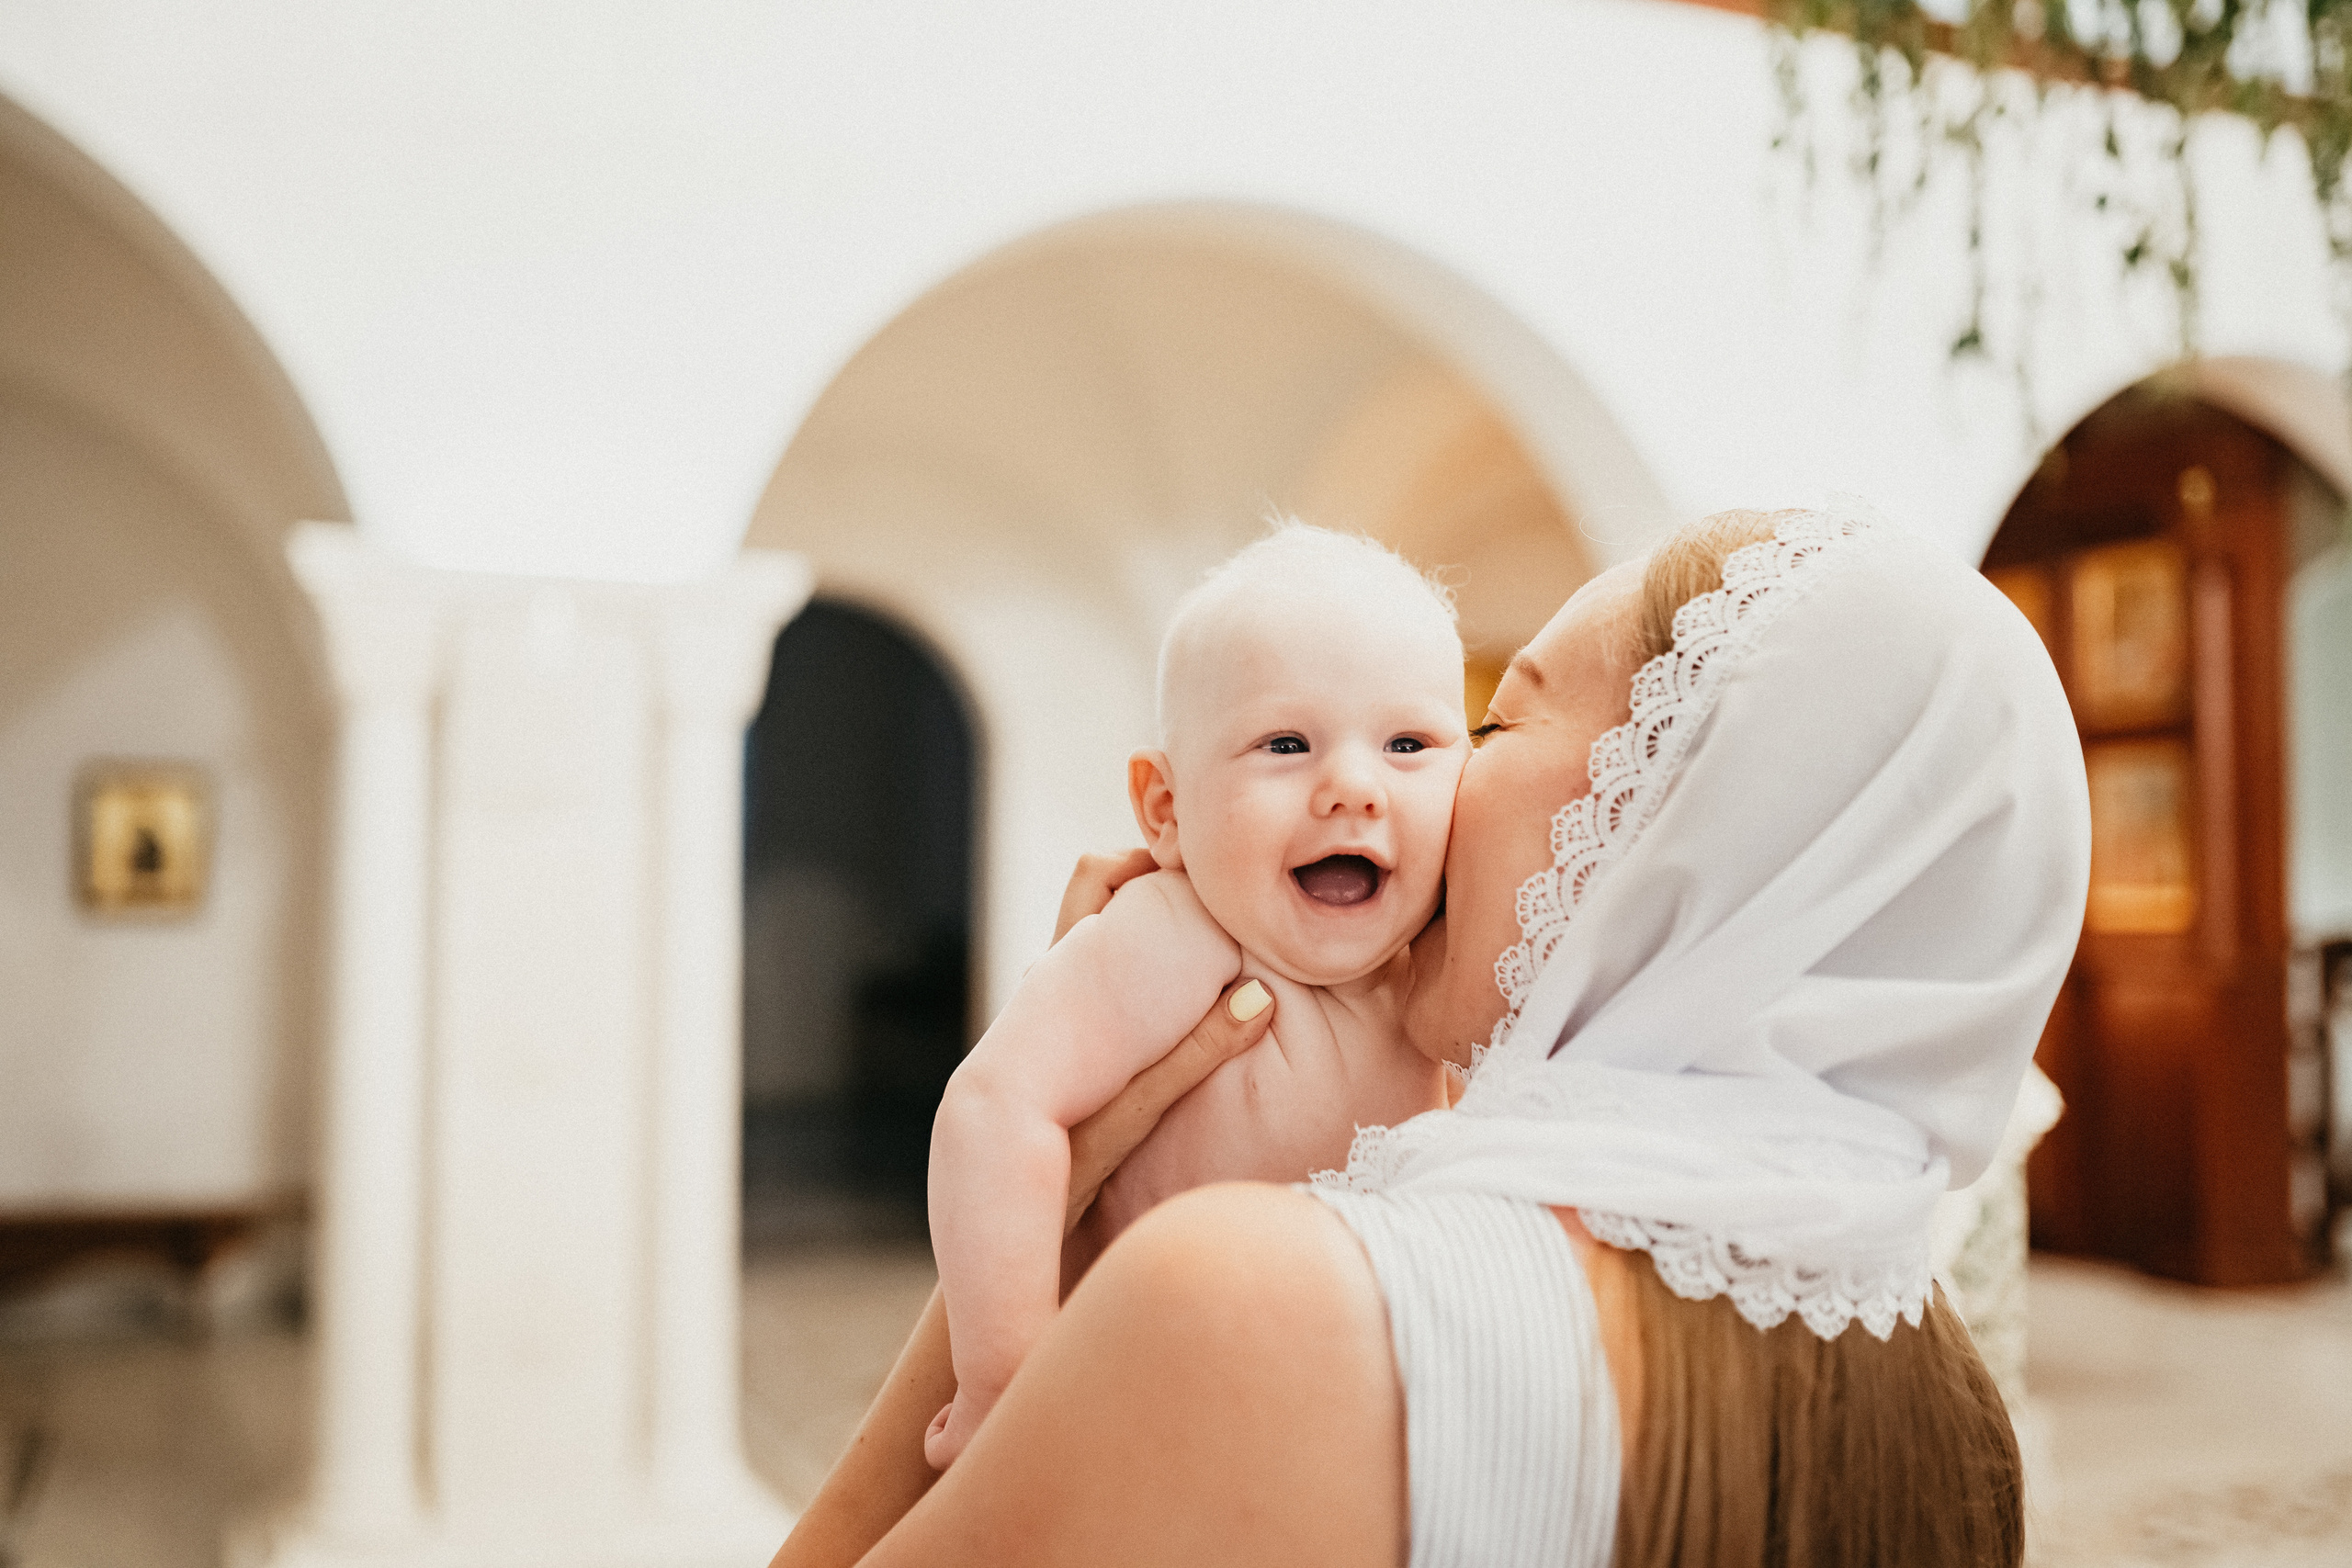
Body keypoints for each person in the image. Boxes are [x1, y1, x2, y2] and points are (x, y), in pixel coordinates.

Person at [772, 498, 2089, 1568]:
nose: (1387, 793)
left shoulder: (1245, 1301)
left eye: (1481, 724)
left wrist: (1048, 1241)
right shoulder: (1938, 1404)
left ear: (1674, 831)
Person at [924, 525, 1464, 1467]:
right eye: (1286, 743)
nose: (1353, 787)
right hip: (1160, 1404)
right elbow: (995, 1106)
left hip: (1357, 1430)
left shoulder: (1444, 967)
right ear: (1166, 809)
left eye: (1407, 743)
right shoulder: (1182, 936)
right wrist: (1001, 1380)